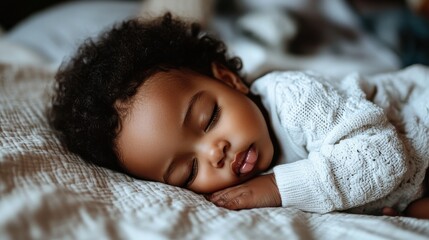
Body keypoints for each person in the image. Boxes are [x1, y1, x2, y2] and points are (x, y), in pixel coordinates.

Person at [49, 13, 429, 218]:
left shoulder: (294, 98)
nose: (215, 153)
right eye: (188, 172)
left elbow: (381, 157)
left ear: (229, 80)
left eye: (209, 117)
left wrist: (276, 189)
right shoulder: (235, 185)